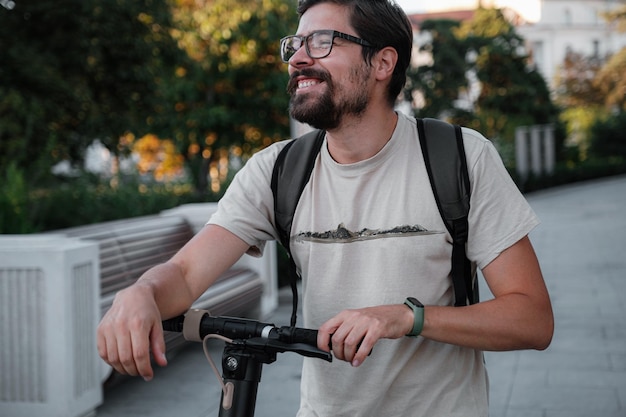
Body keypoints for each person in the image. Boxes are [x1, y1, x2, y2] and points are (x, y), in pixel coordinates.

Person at [97, 0, 554, 415]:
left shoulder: (460, 157)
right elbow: (183, 275)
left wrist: (406, 317)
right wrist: (141, 293)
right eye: (294, 44)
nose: (298, 58)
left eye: (321, 42)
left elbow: (532, 319)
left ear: (382, 62)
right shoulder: (277, 170)